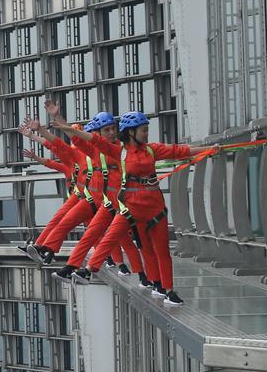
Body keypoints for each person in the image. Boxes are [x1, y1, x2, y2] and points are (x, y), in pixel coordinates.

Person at [52, 111, 220, 306]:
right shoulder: (119, 152)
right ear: (131, 132)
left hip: (155, 209)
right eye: (144, 130)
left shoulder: (152, 150)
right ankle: (88, 270)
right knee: (110, 237)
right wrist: (64, 126)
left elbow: (179, 151)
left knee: (161, 251)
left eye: (147, 129)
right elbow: (92, 139)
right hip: (131, 207)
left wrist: (209, 149)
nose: (147, 133)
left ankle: (168, 291)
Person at [22, 105, 145, 281]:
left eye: (112, 129)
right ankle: (51, 253)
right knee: (74, 226)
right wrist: (42, 129)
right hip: (95, 201)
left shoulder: (121, 151)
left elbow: (64, 145)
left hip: (118, 203)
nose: (111, 132)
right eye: (106, 130)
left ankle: (139, 274)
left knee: (122, 240)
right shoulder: (84, 155)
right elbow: (59, 146)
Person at [17, 122, 95, 266]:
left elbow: (56, 149)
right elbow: (55, 150)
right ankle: (42, 247)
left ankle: (46, 250)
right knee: (60, 221)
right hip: (81, 197)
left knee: (92, 230)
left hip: (93, 199)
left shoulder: (91, 156)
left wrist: (35, 135)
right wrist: (34, 137)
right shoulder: (73, 160)